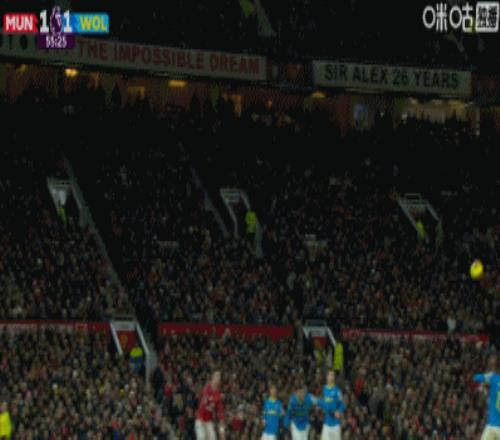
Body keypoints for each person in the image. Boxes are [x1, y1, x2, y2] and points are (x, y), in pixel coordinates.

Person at [473, 354, 500, 440]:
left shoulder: (492, 377)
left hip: (492, 426)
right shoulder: (492, 377)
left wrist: (483, 387)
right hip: (492, 425)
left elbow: (476, 377)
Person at [195, 370, 225, 440]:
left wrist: (222, 432)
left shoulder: (218, 394)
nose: (218, 377)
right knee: (202, 437)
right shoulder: (207, 388)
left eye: (219, 376)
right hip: (200, 420)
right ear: (212, 377)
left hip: (209, 422)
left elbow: (221, 415)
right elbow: (207, 400)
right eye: (217, 375)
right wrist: (218, 397)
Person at [318, 371, 345, 440]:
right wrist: (318, 402)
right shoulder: (323, 389)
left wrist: (339, 411)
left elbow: (342, 404)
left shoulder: (337, 390)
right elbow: (321, 402)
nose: (332, 377)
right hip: (326, 423)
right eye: (330, 375)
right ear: (327, 377)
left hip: (335, 424)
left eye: (333, 375)